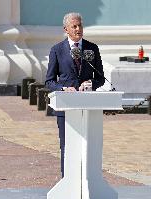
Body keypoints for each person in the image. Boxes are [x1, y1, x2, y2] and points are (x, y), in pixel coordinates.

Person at [45, 12, 105, 177]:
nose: (79, 29)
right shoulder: (57, 50)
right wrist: (64, 89)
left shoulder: (92, 49)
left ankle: (87, 179)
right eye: (74, 26)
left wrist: (91, 83)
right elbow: (49, 81)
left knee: (87, 145)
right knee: (68, 146)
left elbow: (100, 78)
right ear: (66, 29)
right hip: (66, 107)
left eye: (80, 25)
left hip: (88, 107)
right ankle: (67, 179)